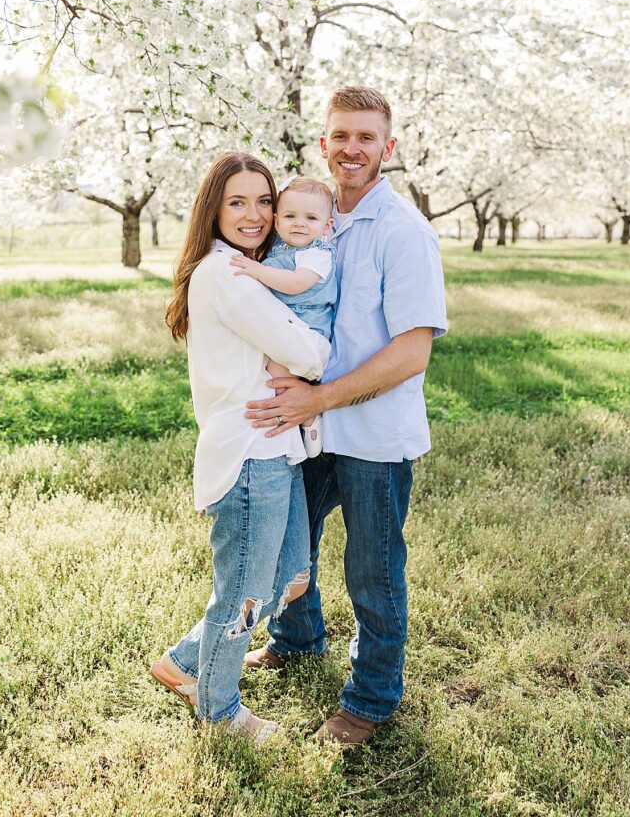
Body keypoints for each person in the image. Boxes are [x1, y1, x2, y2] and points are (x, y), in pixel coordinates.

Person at [243, 86, 447, 745]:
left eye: (365, 137)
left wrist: (318, 397)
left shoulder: (403, 232)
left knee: (372, 570)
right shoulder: (312, 219)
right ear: (323, 144)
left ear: (388, 148)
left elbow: (411, 353)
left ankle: (371, 698)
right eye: (340, 136)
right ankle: (296, 640)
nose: (351, 148)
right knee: (284, 539)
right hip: (309, 426)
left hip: (372, 435)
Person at [150, 152, 330, 744]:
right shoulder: (228, 274)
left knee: (293, 576)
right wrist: (312, 351)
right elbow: (310, 356)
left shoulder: (249, 270)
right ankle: (220, 710)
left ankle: (181, 661)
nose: (254, 215)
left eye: (262, 201)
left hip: (278, 450)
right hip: (251, 456)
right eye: (237, 202)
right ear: (213, 210)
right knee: (246, 595)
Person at [229, 176, 337, 456]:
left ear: (326, 227)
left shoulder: (318, 253)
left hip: (309, 330)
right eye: (290, 216)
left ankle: (308, 417)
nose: (299, 223)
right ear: (276, 222)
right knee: (265, 368)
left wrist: (256, 271)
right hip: (290, 325)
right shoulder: (280, 246)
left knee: (277, 375)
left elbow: (295, 284)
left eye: (311, 218)